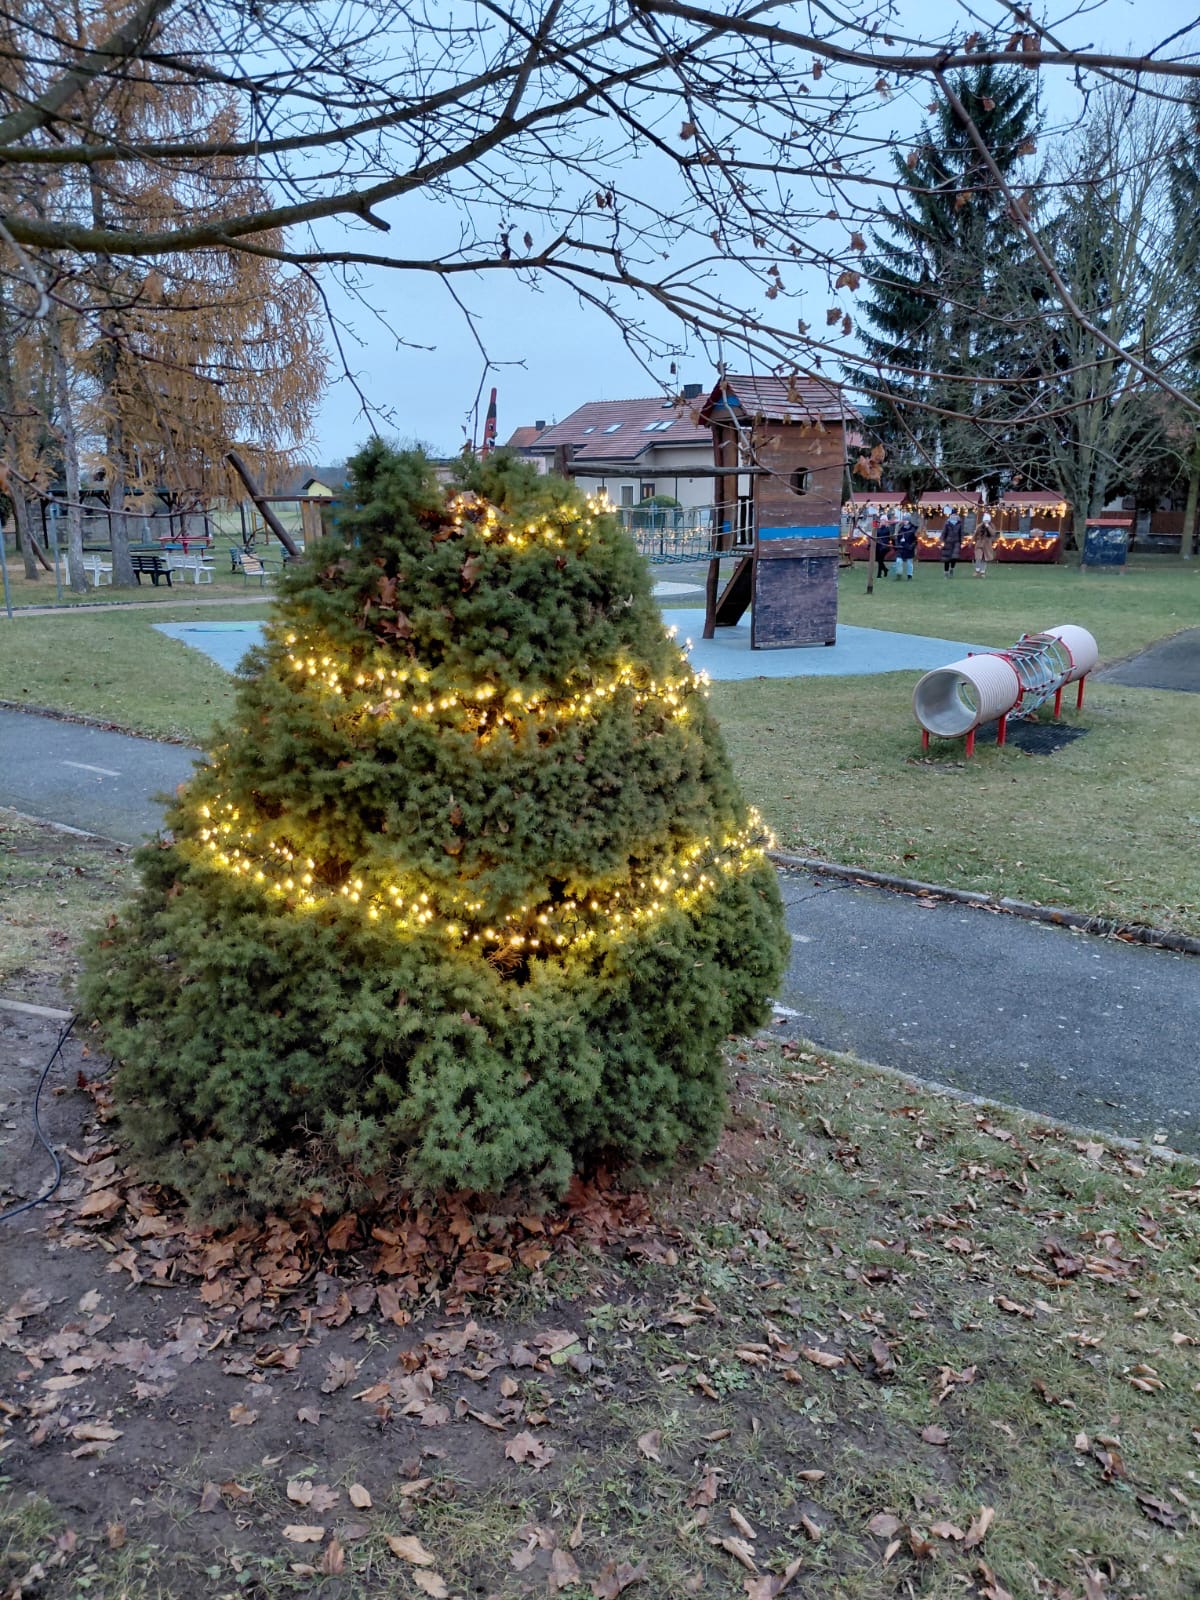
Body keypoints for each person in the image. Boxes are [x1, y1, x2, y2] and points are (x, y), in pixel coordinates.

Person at [893, 513, 918, 579]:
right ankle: (899, 573)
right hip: (901, 548)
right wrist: (897, 544)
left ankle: (909, 575)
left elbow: (915, 541)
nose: (905, 521)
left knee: (909, 563)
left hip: (909, 548)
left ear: (909, 520)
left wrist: (911, 546)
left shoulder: (913, 529)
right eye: (904, 520)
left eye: (906, 520)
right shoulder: (900, 528)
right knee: (898, 561)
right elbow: (897, 538)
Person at [973, 510, 995, 576]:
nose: (986, 522)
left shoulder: (991, 526)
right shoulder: (979, 526)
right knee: (978, 557)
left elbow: (993, 533)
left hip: (987, 545)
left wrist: (988, 527)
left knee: (984, 558)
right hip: (979, 544)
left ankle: (982, 571)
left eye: (987, 520)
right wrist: (972, 541)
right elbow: (975, 534)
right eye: (985, 520)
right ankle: (977, 570)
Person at [941, 512, 963, 577]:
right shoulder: (947, 524)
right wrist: (942, 540)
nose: (954, 518)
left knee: (954, 558)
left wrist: (961, 542)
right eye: (952, 517)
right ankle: (946, 572)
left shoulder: (959, 524)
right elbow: (944, 533)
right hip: (948, 543)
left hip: (956, 543)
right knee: (946, 559)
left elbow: (961, 533)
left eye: (955, 517)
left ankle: (952, 568)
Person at [874, 514, 896, 578]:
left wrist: (894, 546)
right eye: (881, 520)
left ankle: (879, 574)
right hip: (878, 546)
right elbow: (876, 537)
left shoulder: (888, 529)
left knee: (880, 559)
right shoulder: (878, 529)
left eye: (883, 520)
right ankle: (885, 569)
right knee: (878, 560)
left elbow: (891, 538)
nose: (882, 521)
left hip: (885, 546)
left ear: (886, 521)